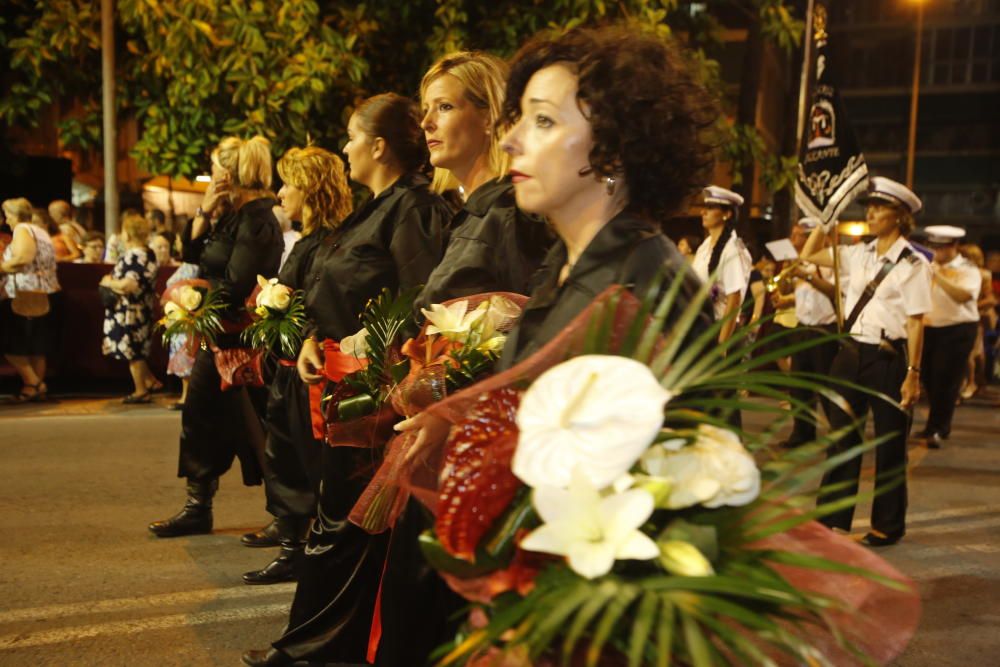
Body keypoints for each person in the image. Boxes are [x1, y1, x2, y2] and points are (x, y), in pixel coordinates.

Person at [393, 25, 715, 664]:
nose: (511, 139)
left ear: (615, 149)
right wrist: (452, 413)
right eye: (518, 119)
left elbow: (675, 495)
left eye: (542, 122)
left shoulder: (642, 281)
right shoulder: (567, 267)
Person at [241, 94, 452, 667]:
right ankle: (319, 647)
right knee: (340, 527)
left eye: (352, 137)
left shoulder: (413, 209)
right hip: (340, 389)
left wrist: (373, 365)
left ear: (378, 147)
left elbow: (420, 303)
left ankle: (309, 651)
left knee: (342, 529)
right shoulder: (371, 208)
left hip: (376, 398)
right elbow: (325, 287)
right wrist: (309, 335)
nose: (345, 147)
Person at [148, 135, 283, 538]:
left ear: (229, 172)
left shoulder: (258, 218)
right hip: (218, 334)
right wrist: (205, 210)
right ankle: (198, 506)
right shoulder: (231, 214)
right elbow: (192, 256)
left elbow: (239, 281)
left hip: (246, 340)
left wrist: (196, 305)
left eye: (215, 168)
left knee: (264, 427)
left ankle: (287, 517)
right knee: (200, 418)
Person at [240, 145, 353, 585]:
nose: (281, 192)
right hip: (287, 366)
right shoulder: (308, 240)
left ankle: (303, 550)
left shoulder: (330, 242)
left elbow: (317, 305)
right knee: (283, 457)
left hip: (309, 371)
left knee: (307, 463)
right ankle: (291, 544)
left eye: (289, 183)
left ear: (310, 187)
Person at [800, 176, 932, 547]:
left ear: (900, 216)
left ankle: (886, 527)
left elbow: (916, 321)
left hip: (889, 358)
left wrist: (913, 373)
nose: (871, 213)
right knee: (841, 438)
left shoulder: (913, 263)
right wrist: (826, 222)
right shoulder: (859, 253)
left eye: (880, 207)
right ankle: (830, 518)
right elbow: (810, 255)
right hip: (851, 353)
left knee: (890, 445)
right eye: (869, 207)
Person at [415, 50, 552, 310]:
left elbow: (527, 324)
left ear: (489, 118)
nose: (426, 122)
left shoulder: (510, 212)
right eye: (425, 109)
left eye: (444, 107)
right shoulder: (477, 214)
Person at [918, 226, 981, 448]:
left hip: (957, 329)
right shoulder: (925, 266)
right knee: (928, 377)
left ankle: (938, 428)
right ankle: (932, 425)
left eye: (940, 248)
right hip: (929, 328)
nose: (935, 252)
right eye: (932, 247)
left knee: (945, 380)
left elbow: (963, 295)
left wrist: (937, 274)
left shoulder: (968, 269)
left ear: (953, 247)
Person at [781, 217, 839, 448]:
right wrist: (788, 271)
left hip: (824, 329)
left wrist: (807, 276)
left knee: (827, 387)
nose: (793, 240)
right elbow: (789, 290)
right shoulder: (798, 263)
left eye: (798, 236)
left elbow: (835, 292)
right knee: (799, 386)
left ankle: (838, 434)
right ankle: (802, 432)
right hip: (802, 326)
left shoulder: (830, 261)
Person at [1, 198, 61, 401]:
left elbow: (24, 257)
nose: (6, 220)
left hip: (23, 293)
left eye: (7, 215)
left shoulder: (22, 229)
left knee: (9, 342)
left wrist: (2, 267)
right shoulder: (41, 231)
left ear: (15, 214)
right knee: (36, 347)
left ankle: (32, 382)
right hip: (43, 292)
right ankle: (36, 388)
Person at [100, 211, 162, 403]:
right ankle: (149, 382)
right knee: (138, 350)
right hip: (140, 309)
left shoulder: (135, 256)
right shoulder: (148, 254)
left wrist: (108, 282)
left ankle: (140, 390)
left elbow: (129, 285)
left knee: (133, 351)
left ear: (127, 233)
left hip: (129, 312)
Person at [692, 186, 752, 344]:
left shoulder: (731, 249)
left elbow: (734, 299)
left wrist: (722, 345)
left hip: (721, 330)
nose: (703, 212)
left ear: (727, 214)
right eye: (705, 207)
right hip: (704, 328)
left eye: (710, 208)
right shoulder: (705, 246)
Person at [959, 243, 996, 399]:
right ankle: (974, 382)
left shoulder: (983, 274)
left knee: (973, 353)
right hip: (961, 316)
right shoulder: (958, 272)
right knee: (972, 353)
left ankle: (972, 382)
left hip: (977, 316)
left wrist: (969, 304)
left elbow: (990, 300)